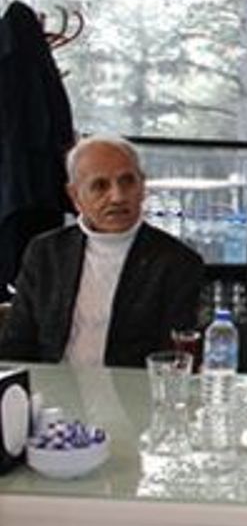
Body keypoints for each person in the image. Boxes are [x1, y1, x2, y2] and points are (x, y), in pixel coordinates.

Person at [0, 135, 202, 367]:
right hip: (52, 386)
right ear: (75, 196)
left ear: (142, 186)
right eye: (100, 186)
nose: (118, 197)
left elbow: (174, 358)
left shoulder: (177, 262)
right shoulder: (46, 252)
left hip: (135, 387)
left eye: (127, 181)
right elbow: (17, 346)